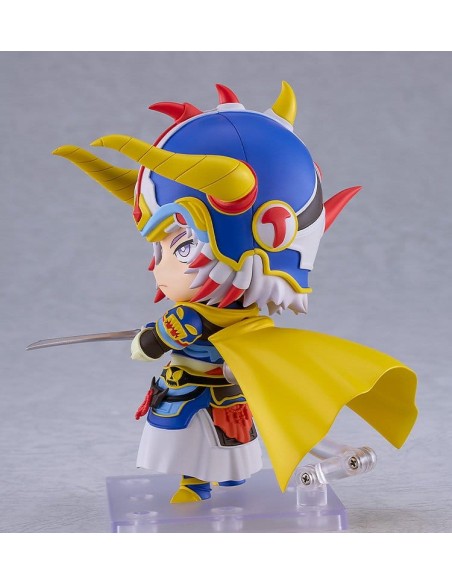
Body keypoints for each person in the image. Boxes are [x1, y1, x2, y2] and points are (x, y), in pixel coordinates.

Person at [53, 82, 418, 503]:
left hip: (195, 392)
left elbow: (151, 346)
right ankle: (224, 482)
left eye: (181, 246)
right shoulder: (247, 321)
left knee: (193, 442)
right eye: (159, 248)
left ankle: (197, 486)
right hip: (227, 394)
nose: (161, 267)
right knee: (226, 440)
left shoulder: (189, 318)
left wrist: (147, 339)